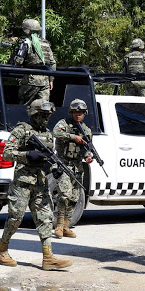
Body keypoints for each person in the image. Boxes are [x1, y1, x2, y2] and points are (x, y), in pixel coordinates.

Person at [0, 99, 72, 270]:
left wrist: (54, 168)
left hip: (40, 182)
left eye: (48, 116)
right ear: (34, 114)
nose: (46, 119)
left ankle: (48, 257)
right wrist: (27, 154)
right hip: (22, 183)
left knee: (45, 218)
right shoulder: (21, 130)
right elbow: (7, 153)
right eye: (43, 115)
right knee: (16, 218)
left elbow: (49, 157)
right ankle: (1, 251)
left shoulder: (49, 134)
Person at [52, 99, 94, 238]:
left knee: (74, 198)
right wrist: (73, 137)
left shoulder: (86, 130)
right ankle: (58, 226)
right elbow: (56, 132)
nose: (78, 115)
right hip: (63, 164)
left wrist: (88, 156)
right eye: (76, 112)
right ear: (71, 112)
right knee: (64, 195)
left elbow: (87, 148)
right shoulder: (64, 124)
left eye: (81, 112)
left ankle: (66, 226)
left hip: (77, 167)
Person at [13, 18, 57, 104]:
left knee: (24, 107)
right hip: (45, 81)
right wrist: (51, 80)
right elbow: (52, 63)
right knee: (44, 108)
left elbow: (18, 61)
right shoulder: (46, 44)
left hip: (30, 80)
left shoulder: (26, 43)